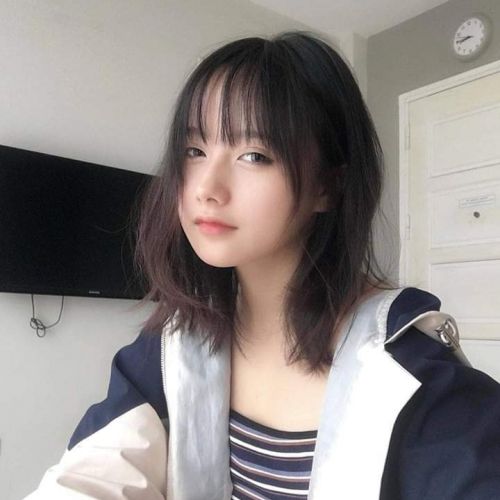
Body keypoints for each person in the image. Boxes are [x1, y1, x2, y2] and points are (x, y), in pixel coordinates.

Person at [26, 31, 500, 500]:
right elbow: (93, 474)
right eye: (195, 151)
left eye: (254, 156)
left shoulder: (413, 375)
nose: (207, 188)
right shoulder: (172, 346)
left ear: (327, 187)